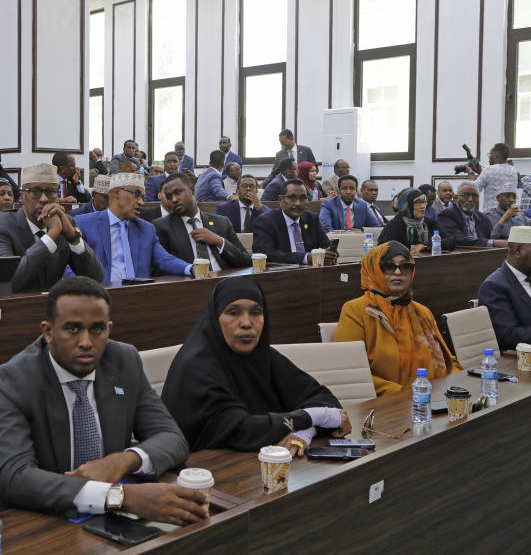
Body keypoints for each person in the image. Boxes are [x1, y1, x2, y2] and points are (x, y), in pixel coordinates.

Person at [0, 277, 204, 521]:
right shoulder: (10, 381)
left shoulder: (124, 360)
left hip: (110, 521)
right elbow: (12, 476)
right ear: (48, 332)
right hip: (42, 519)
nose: (86, 342)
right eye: (73, 329)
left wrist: (122, 460)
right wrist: (120, 497)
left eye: (97, 329)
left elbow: (172, 438)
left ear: (109, 329)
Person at [162, 277, 346, 454]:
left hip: (265, 467)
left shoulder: (263, 355)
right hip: (204, 473)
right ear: (215, 318)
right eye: (233, 313)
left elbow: (324, 399)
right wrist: (311, 417)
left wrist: (304, 432)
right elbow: (240, 430)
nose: (247, 323)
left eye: (256, 313)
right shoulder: (195, 366)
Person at [334, 241, 462, 395]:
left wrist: (458, 386)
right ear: (374, 269)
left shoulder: (422, 312)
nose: (397, 272)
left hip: (432, 398)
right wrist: (405, 394)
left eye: (405, 266)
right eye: (388, 266)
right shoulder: (356, 311)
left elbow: (448, 362)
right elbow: (350, 373)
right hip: (386, 405)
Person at [0, 163, 104, 292]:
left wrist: (73, 238)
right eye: (35, 191)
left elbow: (96, 278)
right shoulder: (0, 225)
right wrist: (51, 236)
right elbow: (6, 281)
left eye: (51, 192)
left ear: (58, 197)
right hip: (16, 307)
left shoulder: (66, 222)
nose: (44, 199)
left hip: (55, 306)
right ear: (22, 197)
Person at [74, 172, 194, 280]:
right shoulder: (84, 224)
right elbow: (69, 267)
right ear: (116, 192)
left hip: (138, 297)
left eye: (143, 197)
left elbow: (164, 259)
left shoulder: (146, 229)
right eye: (136, 194)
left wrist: (191, 268)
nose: (141, 202)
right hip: (99, 297)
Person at [154, 174, 251, 270]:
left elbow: (246, 261)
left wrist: (219, 241)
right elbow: (161, 267)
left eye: (178, 192)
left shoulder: (222, 222)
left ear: (192, 190)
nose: (174, 199)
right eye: (169, 197)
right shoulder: (162, 227)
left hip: (225, 280)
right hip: (190, 282)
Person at [252, 178, 337, 265]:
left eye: (303, 198)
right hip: (281, 274)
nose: (298, 203)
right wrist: (305, 258)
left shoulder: (312, 219)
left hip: (312, 273)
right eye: (292, 198)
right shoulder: (265, 222)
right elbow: (266, 254)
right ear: (281, 200)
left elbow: (326, 246)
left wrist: (330, 254)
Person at [378, 188, 454, 253]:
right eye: (417, 202)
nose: (423, 206)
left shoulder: (428, 222)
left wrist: (425, 246)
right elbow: (384, 250)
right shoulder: (394, 225)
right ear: (406, 205)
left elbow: (451, 240)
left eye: (424, 202)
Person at [437, 181, 505, 248]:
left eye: (475, 196)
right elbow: (457, 239)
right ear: (456, 197)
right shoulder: (446, 215)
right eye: (465, 195)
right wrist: (492, 243)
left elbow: (489, 237)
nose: (470, 199)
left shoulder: (484, 218)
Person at [467, 142, 518, 208]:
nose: (489, 157)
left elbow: (473, 189)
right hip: (509, 212)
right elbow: (497, 177)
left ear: (496, 155)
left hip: (491, 214)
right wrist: (481, 171)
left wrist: (470, 172)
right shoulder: (513, 170)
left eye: (490, 154)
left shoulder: (488, 170)